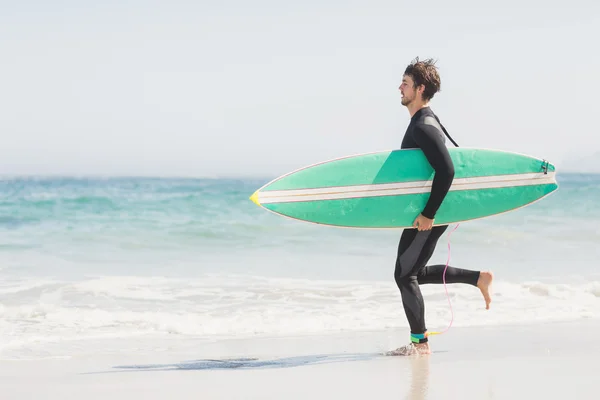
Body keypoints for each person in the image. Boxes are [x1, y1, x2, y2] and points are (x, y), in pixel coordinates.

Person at [389, 57, 493, 356]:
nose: (400, 87)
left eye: (406, 84)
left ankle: (420, 344)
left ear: (420, 88)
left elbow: (447, 171)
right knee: (413, 272)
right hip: (432, 209)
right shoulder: (425, 121)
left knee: (404, 275)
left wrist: (428, 215)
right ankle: (478, 278)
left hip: (431, 211)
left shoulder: (423, 126)